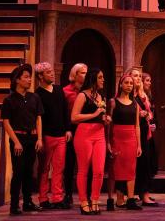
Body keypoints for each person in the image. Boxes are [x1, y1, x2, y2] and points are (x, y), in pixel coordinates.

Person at [1, 64, 44, 216]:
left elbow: (38, 118)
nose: (29, 79)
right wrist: (16, 142)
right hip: (18, 138)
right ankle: (14, 205)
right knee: (18, 171)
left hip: (32, 138)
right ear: (17, 80)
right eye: (26, 77)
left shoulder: (34, 97)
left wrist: (39, 138)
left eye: (29, 76)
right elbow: (6, 122)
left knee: (28, 171)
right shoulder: (9, 100)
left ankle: (27, 201)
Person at [71, 68, 110, 215]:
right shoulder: (82, 95)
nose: (103, 80)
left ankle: (95, 200)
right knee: (83, 170)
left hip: (99, 134)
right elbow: (74, 118)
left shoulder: (101, 96)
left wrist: (105, 119)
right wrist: (94, 114)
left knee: (99, 171)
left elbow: (101, 116)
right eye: (100, 77)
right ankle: (83, 202)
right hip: (84, 134)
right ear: (93, 79)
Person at [35, 62, 71, 210]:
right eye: (48, 72)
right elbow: (38, 118)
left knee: (59, 168)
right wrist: (40, 137)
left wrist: (68, 129)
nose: (51, 74)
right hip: (46, 136)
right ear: (40, 76)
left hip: (61, 135)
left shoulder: (58, 90)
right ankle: (43, 198)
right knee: (44, 168)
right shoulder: (37, 94)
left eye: (51, 71)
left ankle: (57, 198)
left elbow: (65, 110)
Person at [107, 74, 142, 211]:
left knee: (131, 169)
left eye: (131, 83)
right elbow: (109, 124)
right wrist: (108, 142)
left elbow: (137, 125)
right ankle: (110, 198)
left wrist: (139, 145)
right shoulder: (113, 102)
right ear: (120, 84)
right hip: (117, 137)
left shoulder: (135, 104)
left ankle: (131, 199)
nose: (129, 85)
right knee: (113, 169)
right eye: (126, 82)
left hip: (131, 138)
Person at [128, 67, 158, 206]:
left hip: (145, 133)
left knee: (146, 165)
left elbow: (149, 112)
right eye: (135, 76)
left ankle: (144, 194)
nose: (138, 78)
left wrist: (149, 120)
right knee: (135, 166)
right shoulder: (127, 95)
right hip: (132, 134)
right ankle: (132, 195)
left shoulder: (142, 95)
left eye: (140, 76)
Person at [62, 62, 87, 206]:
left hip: (86, 129)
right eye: (82, 72)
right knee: (69, 162)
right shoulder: (65, 91)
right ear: (75, 75)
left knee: (85, 163)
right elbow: (64, 113)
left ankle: (86, 194)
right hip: (71, 129)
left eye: (86, 72)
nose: (85, 75)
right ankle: (68, 194)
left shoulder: (88, 91)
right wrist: (67, 129)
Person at [142, 72, 159, 177]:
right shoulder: (138, 97)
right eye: (147, 80)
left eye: (150, 81)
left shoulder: (149, 95)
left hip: (149, 131)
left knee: (151, 158)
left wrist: (154, 124)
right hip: (142, 129)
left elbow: (153, 113)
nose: (149, 83)